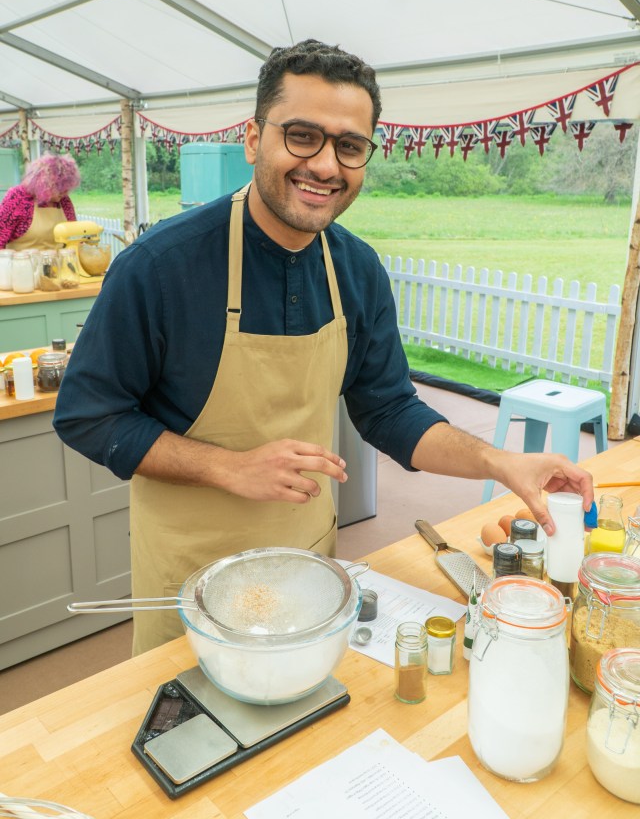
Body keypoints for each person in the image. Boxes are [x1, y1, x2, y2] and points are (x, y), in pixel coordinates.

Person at [53, 40, 593, 654]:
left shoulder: (357, 270)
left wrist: (500, 463)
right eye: (302, 136)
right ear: (255, 139)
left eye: (349, 145)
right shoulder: (159, 267)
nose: (327, 165)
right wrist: (230, 467)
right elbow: (89, 416)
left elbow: (389, 410)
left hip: (309, 564)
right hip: (190, 577)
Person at [0, 153, 80, 250]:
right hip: (22, 263)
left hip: (58, 263)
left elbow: (74, 233)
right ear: (43, 183)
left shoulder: (64, 201)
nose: (64, 192)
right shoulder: (18, 197)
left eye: (67, 186)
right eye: (58, 187)